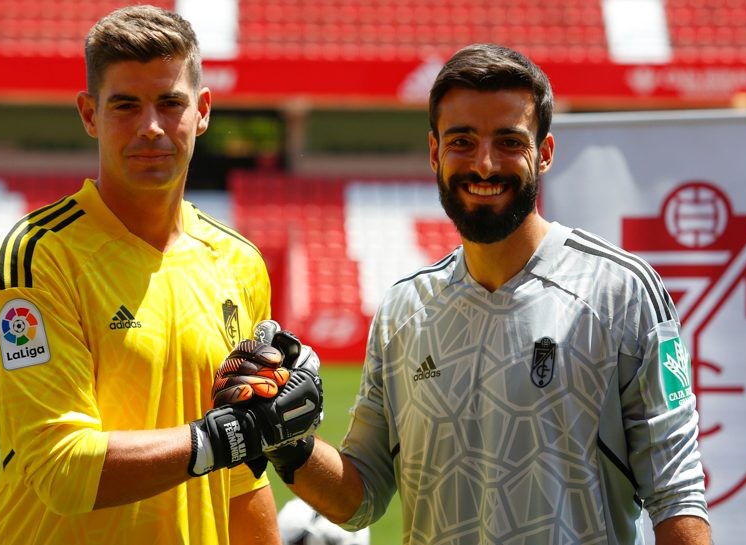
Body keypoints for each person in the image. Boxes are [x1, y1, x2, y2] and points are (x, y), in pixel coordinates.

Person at [214, 44, 712, 544]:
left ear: (545, 153)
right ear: (435, 152)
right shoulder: (404, 311)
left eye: (509, 141)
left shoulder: (619, 291)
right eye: (462, 141)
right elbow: (359, 497)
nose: (485, 164)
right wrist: (292, 445)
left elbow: (677, 494)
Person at [0, 5, 320, 544]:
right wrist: (224, 436)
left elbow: (241, 477)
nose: (151, 127)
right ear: (89, 115)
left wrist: (244, 435)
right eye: (125, 105)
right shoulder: (39, 257)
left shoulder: (239, 262)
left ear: (203, 110)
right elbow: (61, 471)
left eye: (170, 103)